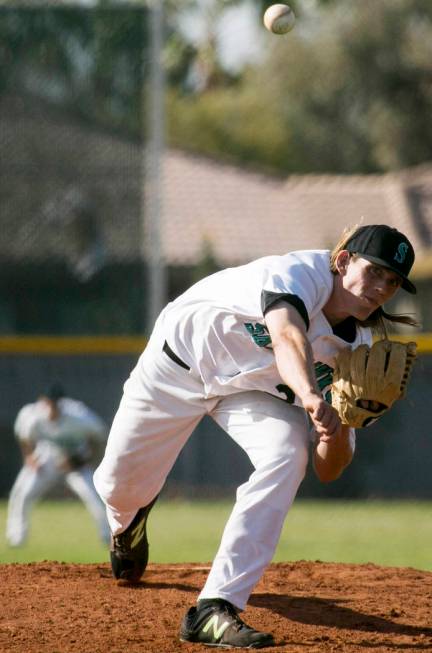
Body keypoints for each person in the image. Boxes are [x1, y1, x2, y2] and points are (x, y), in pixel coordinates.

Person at [94, 224, 417, 649]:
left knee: (288, 455)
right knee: (120, 489)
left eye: (392, 282)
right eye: (375, 272)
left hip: (253, 391)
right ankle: (128, 522)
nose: (381, 288)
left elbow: (329, 469)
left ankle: (214, 607)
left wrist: (340, 426)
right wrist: (309, 396)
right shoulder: (299, 273)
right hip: (180, 364)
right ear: (343, 261)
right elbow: (286, 335)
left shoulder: (363, 348)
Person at [6, 383, 110, 547]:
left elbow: (100, 438)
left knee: (94, 496)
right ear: (42, 401)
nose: (50, 408)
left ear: (61, 403)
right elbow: (24, 436)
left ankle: (108, 536)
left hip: (75, 458)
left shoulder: (79, 415)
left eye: (54, 404)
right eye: (47, 403)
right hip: (47, 456)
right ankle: (16, 537)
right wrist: (29, 457)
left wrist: (80, 461)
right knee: (21, 492)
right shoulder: (33, 414)